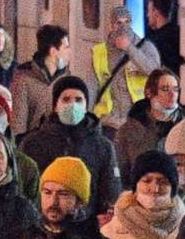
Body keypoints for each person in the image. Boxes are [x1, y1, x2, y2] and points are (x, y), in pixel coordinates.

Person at [18, 74, 122, 214]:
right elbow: (23, 189)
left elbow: (111, 193)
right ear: (55, 105)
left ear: (86, 106)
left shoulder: (103, 146)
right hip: (42, 224)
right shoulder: (32, 143)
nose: (73, 105)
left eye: (79, 100)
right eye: (66, 99)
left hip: (86, 226)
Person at [114, 68, 185, 174]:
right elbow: (120, 172)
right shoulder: (129, 129)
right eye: (165, 89)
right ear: (149, 93)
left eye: (175, 89)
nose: (172, 94)